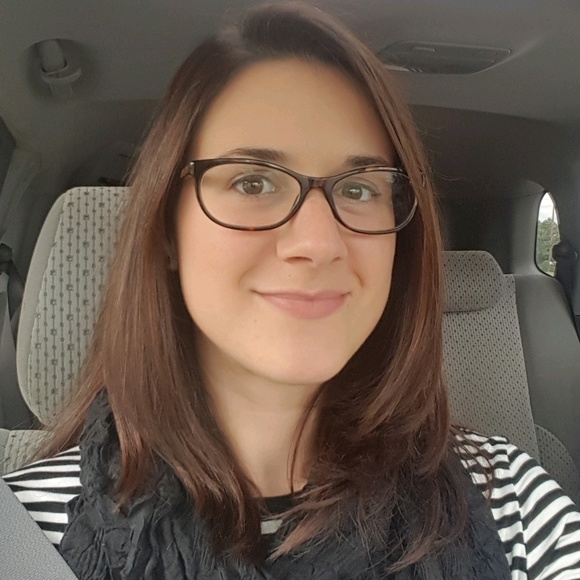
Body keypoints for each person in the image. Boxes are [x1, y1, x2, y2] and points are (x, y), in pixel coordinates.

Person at [4, 2, 580, 579]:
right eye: (253, 182)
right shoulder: (23, 535)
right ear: (168, 232)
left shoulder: (511, 506)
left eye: (359, 189)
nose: (318, 242)